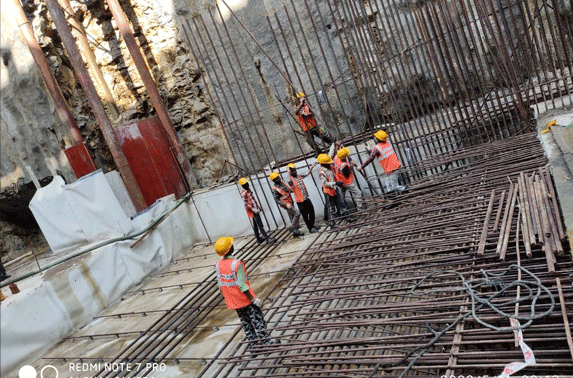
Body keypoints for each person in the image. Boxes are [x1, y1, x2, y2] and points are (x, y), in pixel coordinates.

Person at [214, 237, 277, 348]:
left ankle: (253, 345)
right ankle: (266, 343)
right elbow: (242, 285)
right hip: (245, 299)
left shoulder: (218, 264)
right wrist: (254, 299)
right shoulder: (236, 264)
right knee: (258, 320)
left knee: (246, 322)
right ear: (230, 249)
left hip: (234, 301)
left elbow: (220, 284)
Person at [317, 154, 355, 229]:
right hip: (328, 191)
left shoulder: (330, 167)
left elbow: (331, 154)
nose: (329, 163)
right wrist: (335, 183)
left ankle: (348, 217)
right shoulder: (322, 173)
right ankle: (332, 224)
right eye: (328, 163)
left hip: (334, 189)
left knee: (341, 203)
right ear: (323, 164)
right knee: (331, 208)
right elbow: (325, 183)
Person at [239, 178, 276, 244]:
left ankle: (258, 239)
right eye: (245, 184)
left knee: (255, 225)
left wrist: (257, 207)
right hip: (253, 211)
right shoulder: (243, 193)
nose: (247, 185)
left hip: (255, 210)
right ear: (242, 186)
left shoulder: (248, 190)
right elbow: (245, 204)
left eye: (247, 183)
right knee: (260, 225)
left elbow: (252, 200)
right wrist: (253, 209)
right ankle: (267, 238)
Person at [286, 163, 320, 234]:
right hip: (300, 200)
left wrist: (311, 167)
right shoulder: (291, 180)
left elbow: (307, 173)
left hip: (305, 198)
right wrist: (288, 172)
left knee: (311, 210)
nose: (294, 171)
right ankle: (310, 228)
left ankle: (312, 225)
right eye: (292, 170)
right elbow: (288, 181)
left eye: (294, 169)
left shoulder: (298, 176)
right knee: (305, 214)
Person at [270, 172, 304, 238]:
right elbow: (277, 200)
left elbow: (287, 190)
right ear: (274, 180)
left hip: (290, 201)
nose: (278, 178)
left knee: (292, 216)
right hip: (286, 204)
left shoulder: (282, 182)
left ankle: (296, 233)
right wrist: (285, 205)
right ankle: (292, 228)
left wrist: (293, 190)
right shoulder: (274, 189)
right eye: (276, 178)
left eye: (278, 177)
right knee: (297, 213)